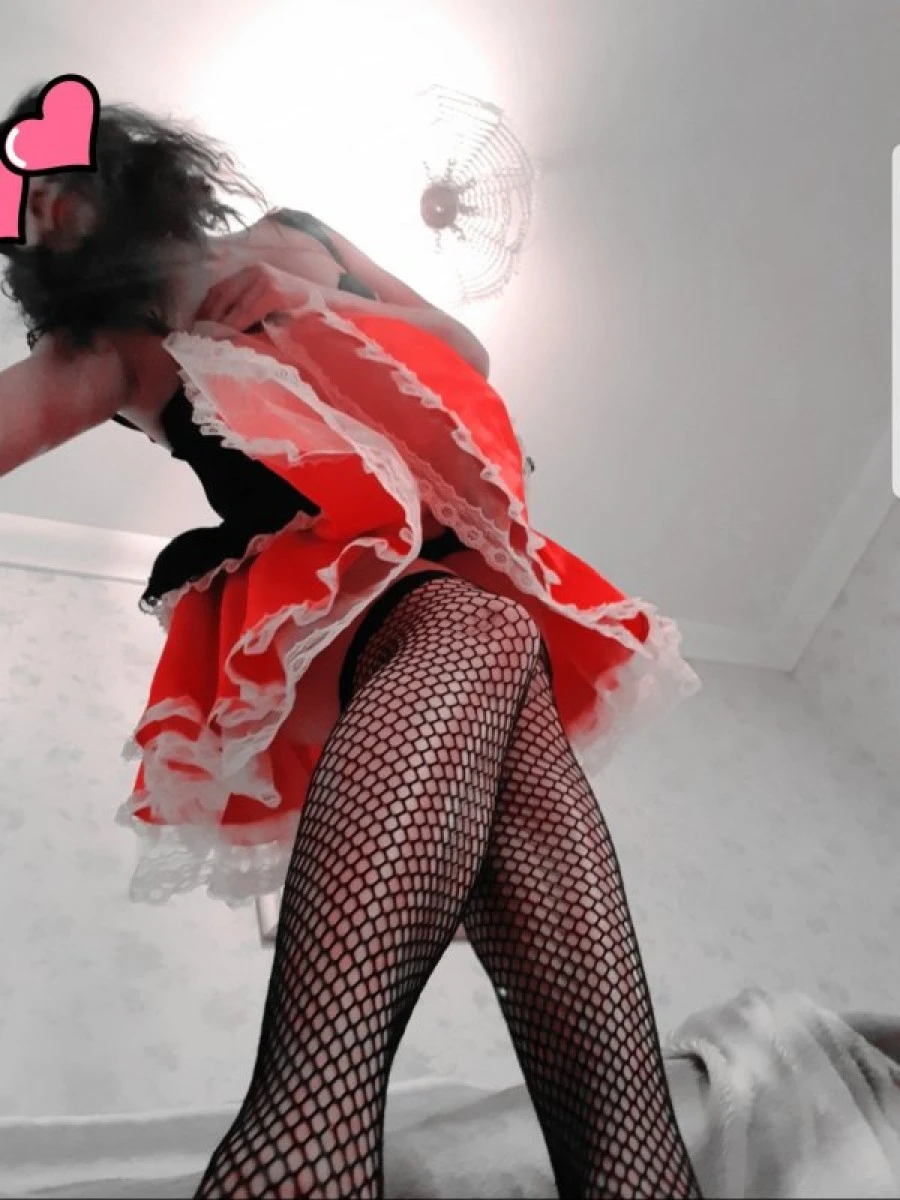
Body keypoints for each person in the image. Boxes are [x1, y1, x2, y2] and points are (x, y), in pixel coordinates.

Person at [0, 86, 702, 1200]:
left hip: (449, 564)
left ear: (122, 161)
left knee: (520, 753)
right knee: (480, 629)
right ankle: (300, 1151)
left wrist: (298, 294)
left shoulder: (299, 233)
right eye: (19, 206)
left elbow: (463, 346)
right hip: (315, 591)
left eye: (46, 175)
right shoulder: (111, 342)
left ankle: (637, 1182)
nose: (37, 207)